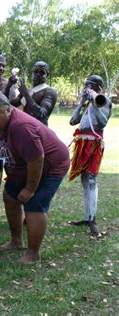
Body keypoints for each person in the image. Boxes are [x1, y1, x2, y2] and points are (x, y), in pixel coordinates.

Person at [0, 91, 69, 264]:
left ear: (8, 110)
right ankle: (16, 241)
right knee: (10, 196)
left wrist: (29, 189)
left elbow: (37, 160)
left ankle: (33, 253)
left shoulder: (20, 126)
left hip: (51, 165)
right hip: (22, 167)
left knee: (34, 204)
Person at [68, 75, 112, 236]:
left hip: (94, 143)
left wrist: (95, 103)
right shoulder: (87, 103)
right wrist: (82, 103)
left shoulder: (104, 101)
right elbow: (73, 121)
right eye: (86, 85)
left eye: (90, 86)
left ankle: (93, 221)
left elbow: (103, 122)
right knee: (84, 179)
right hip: (82, 142)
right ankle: (87, 217)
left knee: (91, 179)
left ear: (98, 88)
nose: (87, 88)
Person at [9, 61, 57, 125]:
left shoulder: (49, 92)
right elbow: (9, 104)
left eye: (42, 72)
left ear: (47, 75)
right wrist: (8, 85)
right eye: (36, 71)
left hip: (39, 131)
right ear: (32, 73)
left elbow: (42, 115)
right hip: (25, 128)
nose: (38, 74)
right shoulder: (28, 90)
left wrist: (25, 94)